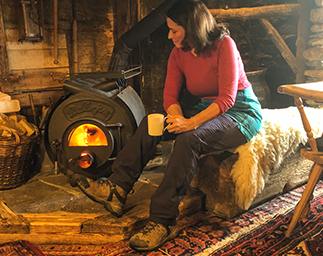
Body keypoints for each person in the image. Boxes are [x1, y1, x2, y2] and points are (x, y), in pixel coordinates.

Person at [76, 0, 262, 251]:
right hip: (205, 107)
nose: (169, 35)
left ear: (192, 27)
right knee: (151, 124)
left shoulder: (224, 45)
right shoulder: (178, 53)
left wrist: (190, 124)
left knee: (190, 138)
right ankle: (118, 188)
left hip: (239, 111)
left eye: (174, 30)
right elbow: (170, 99)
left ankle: (163, 220)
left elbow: (227, 98)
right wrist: (176, 118)